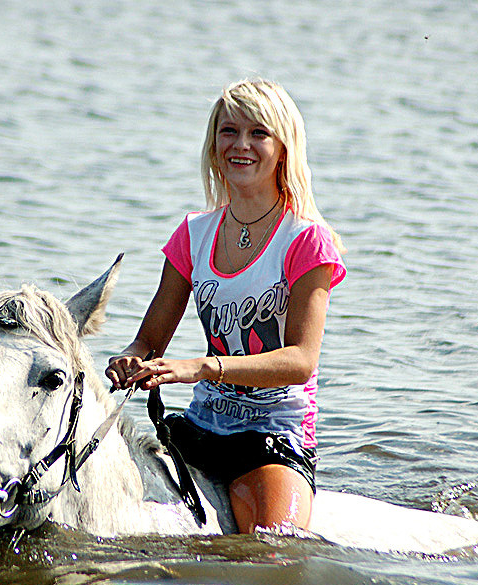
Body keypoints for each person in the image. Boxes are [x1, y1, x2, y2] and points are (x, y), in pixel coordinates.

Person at [105, 79, 346, 534]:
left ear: (284, 148)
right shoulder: (193, 234)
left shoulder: (307, 240)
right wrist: (131, 360)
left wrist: (202, 367)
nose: (241, 145)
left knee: (274, 557)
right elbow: (150, 339)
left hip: (272, 435)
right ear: (214, 145)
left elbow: (300, 361)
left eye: (258, 133)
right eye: (228, 131)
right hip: (198, 429)